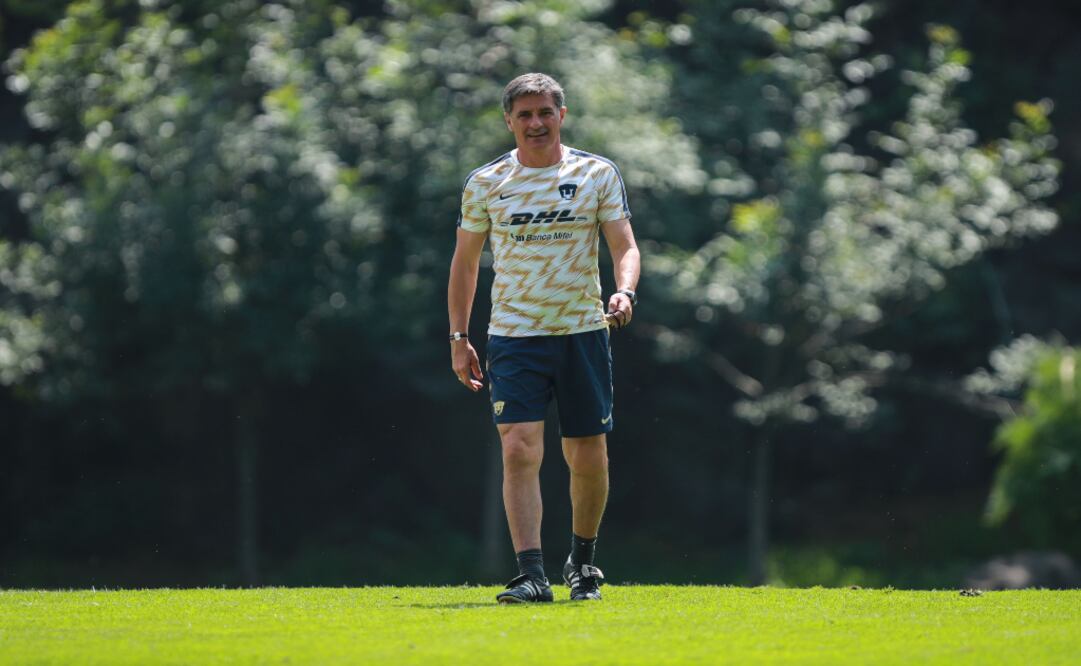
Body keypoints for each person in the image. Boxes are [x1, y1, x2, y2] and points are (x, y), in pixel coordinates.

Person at [447, 73, 640, 603]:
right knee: (518, 448)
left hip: (582, 331)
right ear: (508, 121)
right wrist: (459, 336)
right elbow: (465, 264)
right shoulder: (486, 183)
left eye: (544, 112)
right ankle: (531, 574)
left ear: (562, 114)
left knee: (587, 455)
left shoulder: (596, 173)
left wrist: (624, 292)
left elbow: (624, 245)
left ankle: (582, 563)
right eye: (524, 114)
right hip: (514, 335)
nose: (536, 122)